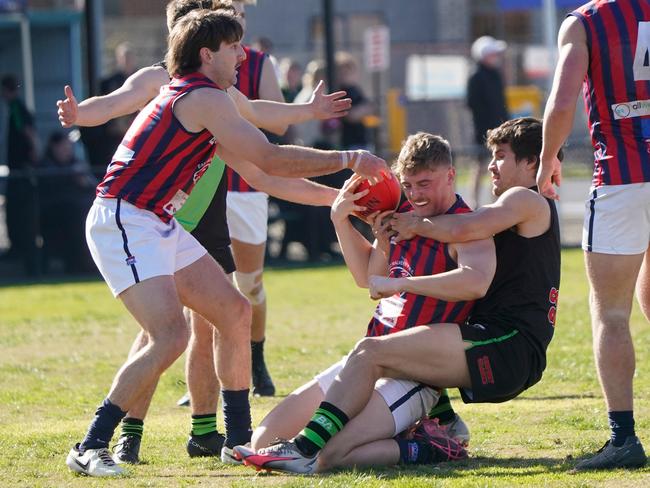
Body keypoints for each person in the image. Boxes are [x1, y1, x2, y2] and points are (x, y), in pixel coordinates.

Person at [63, 8, 386, 477]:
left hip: (155, 221)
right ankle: (91, 443)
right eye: (234, 47)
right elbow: (271, 157)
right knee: (170, 336)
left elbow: (261, 175)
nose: (243, 55)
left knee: (235, 312)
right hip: (124, 219)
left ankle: (236, 441)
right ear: (206, 53)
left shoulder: (211, 101)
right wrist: (348, 157)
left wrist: (339, 199)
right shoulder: (201, 97)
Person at [236, 117, 562, 474]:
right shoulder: (410, 217)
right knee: (262, 439)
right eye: (408, 185)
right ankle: (442, 421)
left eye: (501, 156)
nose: (416, 193)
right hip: (394, 354)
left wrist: (404, 267)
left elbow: (473, 273)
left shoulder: (494, 211)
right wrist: (342, 220)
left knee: (331, 454)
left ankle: (426, 446)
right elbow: (369, 278)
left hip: (503, 343)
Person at [537, 0, 649, 470]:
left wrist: (546, 161)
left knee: (612, 311)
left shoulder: (586, 21)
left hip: (622, 178)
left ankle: (623, 438)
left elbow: (563, 101)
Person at [222, 0, 286, 398]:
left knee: (249, 285)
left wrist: (232, 112)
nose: (237, 21)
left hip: (245, 187)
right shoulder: (191, 58)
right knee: (202, 288)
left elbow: (278, 120)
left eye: (241, 14)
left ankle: (256, 358)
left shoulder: (259, 62)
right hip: (198, 187)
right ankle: (213, 374)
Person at [38, 131, 96, 273]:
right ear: (54, 147)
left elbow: (92, 186)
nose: (67, 151)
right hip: (57, 214)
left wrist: (84, 181)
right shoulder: (45, 165)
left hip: (82, 213)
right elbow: (50, 189)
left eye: (68, 148)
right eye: (63, 148)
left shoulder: (76, 163)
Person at [1, 74, 40, 275]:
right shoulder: (16, 107)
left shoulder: (16, 107)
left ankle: (27, 259)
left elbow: (28, 132)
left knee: (21, 216)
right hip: (19, 170)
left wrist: (34, 156)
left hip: (22, 172)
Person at [466, 35, 509, 209]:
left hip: (501, 129)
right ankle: (473, 201)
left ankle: (496, 200)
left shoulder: (496, 76)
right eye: (493, 54)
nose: (496, 57)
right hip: (483, 131)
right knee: (481, 165)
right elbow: (473, 104)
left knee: (499, 165)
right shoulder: (476, 77)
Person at [336, 52, 373, 151]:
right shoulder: (340, 91)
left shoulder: (356, 89)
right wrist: (361, 111)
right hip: (348, 141)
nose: (347, 75)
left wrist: (360, 111)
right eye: (343, 72)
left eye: (349, 71)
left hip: (361, 139)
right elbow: (350, 116)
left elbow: (370, 107)